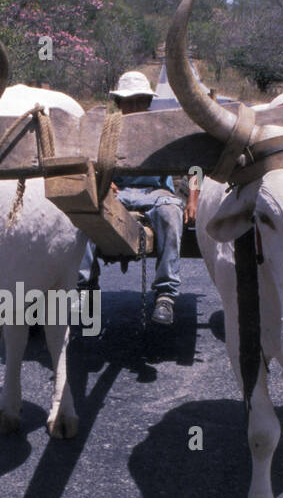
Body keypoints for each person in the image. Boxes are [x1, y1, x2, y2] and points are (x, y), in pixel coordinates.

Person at [78, 71, 197, 325]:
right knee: (85, 215)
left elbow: (193, 166)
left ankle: (165, 294)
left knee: (170, 212)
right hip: (117, 194)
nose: (134, 106)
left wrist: (193, 198)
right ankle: (85, 286)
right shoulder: (107, 130)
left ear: (147, 102)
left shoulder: (163, 129)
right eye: (128, 101)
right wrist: (102, 179)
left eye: (139, 100)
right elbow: (88, 162)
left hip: (156, 194)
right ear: (119, 104)